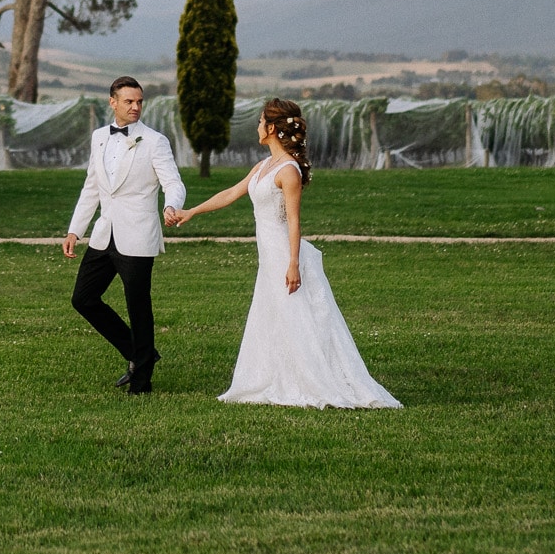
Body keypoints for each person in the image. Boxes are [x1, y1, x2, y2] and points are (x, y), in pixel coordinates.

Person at [169, 98, 400, 409]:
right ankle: (273, 375)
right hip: (268, 255)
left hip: (283, 254)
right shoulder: (264, 166)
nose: (256, 126)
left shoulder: (288, 171)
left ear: (272, 128)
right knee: (272, 316)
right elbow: (231, 193)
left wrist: (293, 264)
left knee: (298, 317)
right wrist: (191, 212)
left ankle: (311, 380)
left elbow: (294, 221)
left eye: (261, 121)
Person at [62, 75, 186, 394]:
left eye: (139, 102)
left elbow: (174, 183)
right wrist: (75, 230)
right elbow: (92, 186)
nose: (135, 107)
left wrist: (172, 205)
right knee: (84, 299)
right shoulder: (100, 137)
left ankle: (141, 382)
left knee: (138, 307)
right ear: (112, 102)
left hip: (139, 236)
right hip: (104, 236)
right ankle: (139, 354)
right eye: (129, 101)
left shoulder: (155, 141)